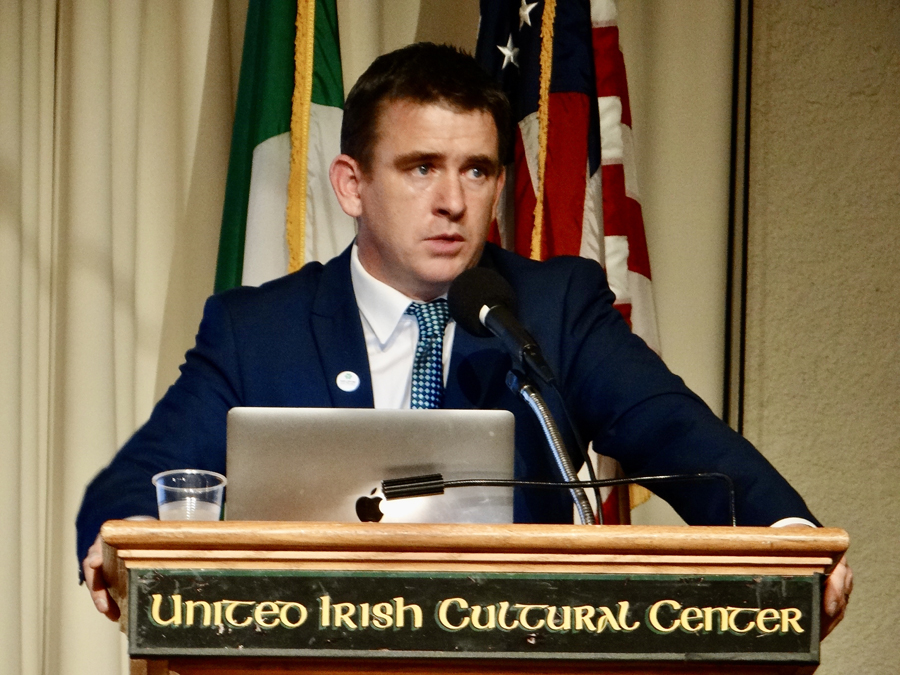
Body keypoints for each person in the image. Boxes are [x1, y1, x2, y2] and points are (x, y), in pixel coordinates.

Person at [78, 42, 851, 634]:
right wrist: (126, 541)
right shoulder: (258, 329)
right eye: (421, 167)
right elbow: (140, 484)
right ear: (352, 184)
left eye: (477, 171)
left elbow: (680, 433)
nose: (452, 201)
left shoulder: (548, 309)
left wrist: (791, 536)